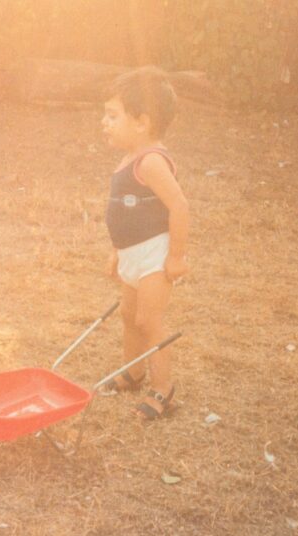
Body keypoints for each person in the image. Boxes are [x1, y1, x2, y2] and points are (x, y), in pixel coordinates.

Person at [101, 66, 190, 420]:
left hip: (154, 257)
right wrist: (117, 252)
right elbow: (126, 214)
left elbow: (179, 205)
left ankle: (163, 389)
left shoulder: (151, 162)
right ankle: (133, 372)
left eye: (112, 115)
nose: (103, 122)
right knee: (127, 315)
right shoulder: (129, 159)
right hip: (132, 255)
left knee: (148, 320)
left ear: (142, 122)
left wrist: (177, 256)